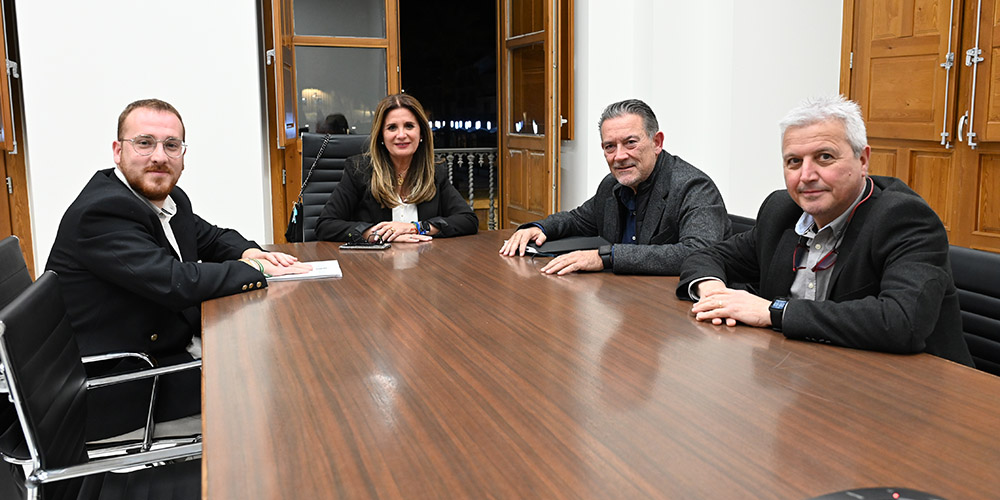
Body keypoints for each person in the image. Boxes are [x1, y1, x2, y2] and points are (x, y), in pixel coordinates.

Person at [46, 98, 312, 439]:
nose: (159, 156)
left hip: (162, 349)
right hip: (119, 382)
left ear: (183, 154)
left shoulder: (169, 200)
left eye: (171, 145)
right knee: (276, 391)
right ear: (118, 150)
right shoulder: (103, 211)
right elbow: (176, 282)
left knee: (276, 359)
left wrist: (248, 251)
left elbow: (213, 238)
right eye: (144, 143)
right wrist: (259, 271)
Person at [676, 95, 973, 366]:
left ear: (863, 160)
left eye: (825, 158)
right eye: (794, 162)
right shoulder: (781, 211)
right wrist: (713, 291)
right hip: (810, 374)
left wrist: (773, 312)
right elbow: (706, 256)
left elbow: (901, 321)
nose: (806, 176)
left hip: (913, 389)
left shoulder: (904, 218)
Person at [499, 99, 730, 275]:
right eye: (610, 147)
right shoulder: (612, 185)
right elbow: (579, 219)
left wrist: (606, 257)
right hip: (625, 303)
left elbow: (698, 252)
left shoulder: (694, 187)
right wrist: (541, 228)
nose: (619, 156)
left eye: (630, 143)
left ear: (656, 142)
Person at [315, 93, 478, 242]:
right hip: (374, 266)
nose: (401, 135)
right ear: (381, 135)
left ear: (421, 133)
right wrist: (378, 234)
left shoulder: (434, 172)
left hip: (426, 264)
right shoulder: (360, 170)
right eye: (392, 127)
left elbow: (467, 220)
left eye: (409, 126)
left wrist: (417, 228)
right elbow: (326, 226)